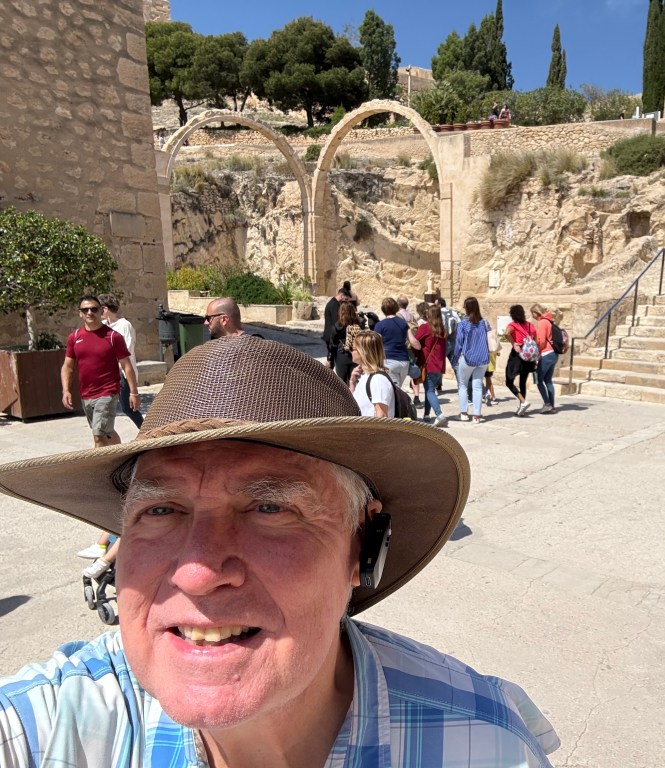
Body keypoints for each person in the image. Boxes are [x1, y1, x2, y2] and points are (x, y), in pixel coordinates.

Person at [0, 335, 559, 766]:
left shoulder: (484, 746)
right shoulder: (45, 728)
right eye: (161, 510)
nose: (197, 573)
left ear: (364, 547)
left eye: (269, 509)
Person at [61, 295, 140, 449]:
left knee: (98, 436)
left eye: (93, 309)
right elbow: (67, 366)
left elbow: (127, 365)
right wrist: (66, 390)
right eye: (85, 310)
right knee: (106, 432)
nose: (89, 312)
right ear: (80, 313)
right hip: (86, 394)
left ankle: (100, 464)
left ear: (101, 311)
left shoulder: (113, 337)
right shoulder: (74, 337)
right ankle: (121, 455)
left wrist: (134, 392)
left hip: (108, 392)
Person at [97, 293, 143, 429]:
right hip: (108, 374)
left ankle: (146, 431)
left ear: (105, 309)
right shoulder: (103, 326)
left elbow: (126, 351)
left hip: (123, 373)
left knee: (128, 407)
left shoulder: (124, 325)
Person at [452, 297, 491, 424]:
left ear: (466, 308)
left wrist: (455, 358)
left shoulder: (463, 324)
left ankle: (464, 413)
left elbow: (459, 343)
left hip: (468, 358)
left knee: (462, 385)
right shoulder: (485, 323)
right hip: (483, 358)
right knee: (478, 386)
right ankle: (476, 416)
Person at [374, 297, 419, 388]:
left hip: (388, 361)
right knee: (397, 388)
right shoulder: (403, 323)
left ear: (383, 310)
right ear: (396, 308)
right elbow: (413, 341)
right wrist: (420, 348)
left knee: (394, 390)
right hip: (404, 361)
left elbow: (375, 344)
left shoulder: (380, 325)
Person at [415, 304, 449, 426]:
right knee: (430, 390)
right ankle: (426, 414)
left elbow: (415, 342)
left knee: (429, 390)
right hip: (439, 365)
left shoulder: (425, 327)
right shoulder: (443, 330)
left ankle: (439, 414)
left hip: (428, 364)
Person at [350, 330, 396, 418]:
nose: (351, 352)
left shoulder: (378, 379)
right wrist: (352, 383)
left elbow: (382, 416)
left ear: (363, 352)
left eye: (353, 348)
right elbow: (353, 405)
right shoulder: (366, 376)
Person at [505, 304, 537, 417]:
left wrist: (513, 343)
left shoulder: (513, 325)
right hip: (529, 356)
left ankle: (523, 402)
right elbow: (535, 340)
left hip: (518, 355)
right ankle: (521, 407)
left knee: (509, 381)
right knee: (522, 382)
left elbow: (506, 333)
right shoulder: (530, 325)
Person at [531, 304, 559, 414]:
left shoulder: (542, 322)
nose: (532, 315)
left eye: (532, 313)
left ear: (536, 312)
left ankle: (547, 404)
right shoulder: (549, 321)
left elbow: (542, 341)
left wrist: (536, 351)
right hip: (553, 354)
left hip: (546, 354)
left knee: (538, 380)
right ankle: (552, 406)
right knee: (548, 380)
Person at [329, 301, 364, 382]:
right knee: (355, 380)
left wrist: (330, 359)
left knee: (342, 383)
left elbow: (332, 345)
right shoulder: (359, 325)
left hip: (342, 355)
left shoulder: (337, 326)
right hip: (356, 354)